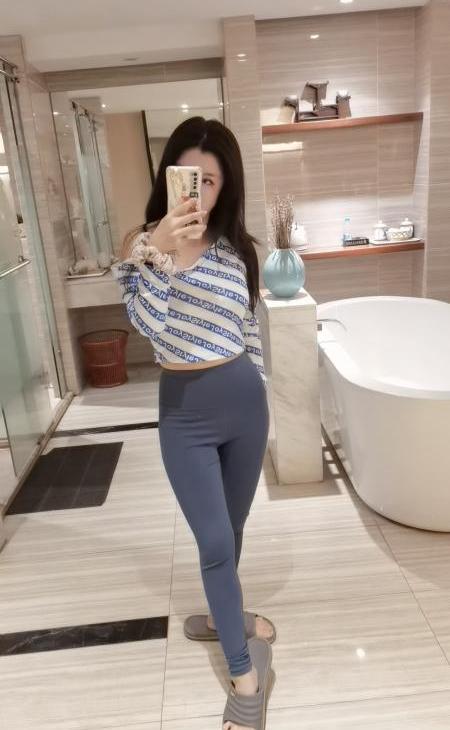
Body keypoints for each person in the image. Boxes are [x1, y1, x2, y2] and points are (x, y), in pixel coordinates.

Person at [112, 116, 275, 730]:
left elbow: (248, 329)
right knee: (212, 541)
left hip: (244, 403)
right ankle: (245, 674)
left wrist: (262, 396)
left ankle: (218, 617)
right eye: (188, 177)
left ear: (224, 186)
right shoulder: (140, 246)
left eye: (210, 180)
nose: (198, 191)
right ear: (167, 178)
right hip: (184, 413)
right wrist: (159, 251)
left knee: (231, 530)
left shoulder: (237, 250)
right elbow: (148, 327)